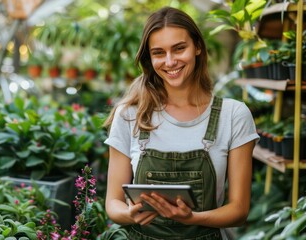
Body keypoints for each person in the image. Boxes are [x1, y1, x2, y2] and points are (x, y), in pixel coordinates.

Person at [103, 6, 259, 240]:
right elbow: (112, 202)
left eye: (179, 48)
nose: (170, 61)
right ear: (149, 58)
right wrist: (129, 213)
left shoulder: (233, 115)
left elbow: (239, 211)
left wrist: (192, 219)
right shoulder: (130, 115)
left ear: (197, 47)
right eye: (158, 52)